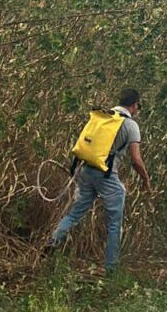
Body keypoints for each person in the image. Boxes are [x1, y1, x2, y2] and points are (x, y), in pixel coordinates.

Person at [48, 88, 152, 273]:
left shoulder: (102, 116)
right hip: (106, 175)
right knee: (114, 224)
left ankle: (53, 241)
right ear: (134, 105)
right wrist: (146, 180)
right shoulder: (130, 125)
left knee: (74, 214)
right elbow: (136, 160)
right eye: (138, 106)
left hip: (86, 170)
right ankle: (111, 269)